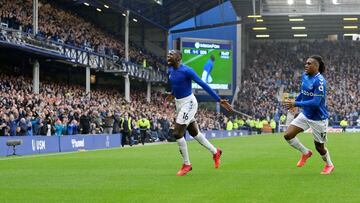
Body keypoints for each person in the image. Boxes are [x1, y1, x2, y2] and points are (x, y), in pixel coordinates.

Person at [166, 50, 233, 176]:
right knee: (194, 133)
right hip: (179, 104)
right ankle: (216, 152)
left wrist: (219, 100)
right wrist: (172, 94)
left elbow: (203, 84)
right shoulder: (170, 70)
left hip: (189, 103)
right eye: (168, 54)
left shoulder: (187, 71)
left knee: (177, 133)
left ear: (179, 58)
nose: (168, 56)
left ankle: (187, 164)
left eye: (172, 54)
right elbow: (176, 85)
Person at [283, 55, 334, 175]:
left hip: (318, 118)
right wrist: (296, 102)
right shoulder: (305, 76)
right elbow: (303, 92)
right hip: (305, 114)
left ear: (316, 66)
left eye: (309, 63)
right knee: (288, 135)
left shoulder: (320, 81)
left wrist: (296, 103)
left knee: (319, 147)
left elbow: (316, 103)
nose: (306, 65)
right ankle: (305, 153)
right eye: (306, 63)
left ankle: (329, 165)